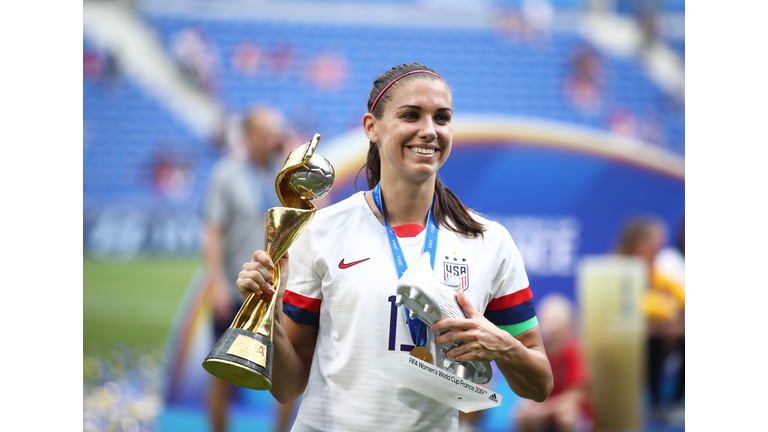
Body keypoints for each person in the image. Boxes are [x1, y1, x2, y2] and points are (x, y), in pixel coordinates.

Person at [235, 63, 553, 431]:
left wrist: (503, 346)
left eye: (442, 117)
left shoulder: (489, 241)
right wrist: (271, 317)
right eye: (411, 115)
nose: (429, 130)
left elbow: (540, 384)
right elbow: (288, 387)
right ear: (371, 127)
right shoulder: (321, 231)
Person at [202, 106, 288, 432]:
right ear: (248, 136)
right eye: (266, 132)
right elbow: (213, 234)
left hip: (277, 293)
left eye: (276, 132)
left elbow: (312, 216)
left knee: (285, 373)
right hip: (237, 289)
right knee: (223, 374)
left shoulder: (285, 176)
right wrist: (218, 287)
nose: (272, 138)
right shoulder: (226, 174)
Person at [615, 214, 684, 424]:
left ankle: (672, 404)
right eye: (655, 245)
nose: (659, 250)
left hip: (653, 332)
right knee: (655, 339)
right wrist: (666, 314)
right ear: (639, 244)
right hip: (623, 337)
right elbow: (635, 306)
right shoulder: (620, 268)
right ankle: (650, 405)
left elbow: (681, 296)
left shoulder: (654, 271)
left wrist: (673, 322)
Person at [515, 293, 594, 432]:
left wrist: (546, 409)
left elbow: (576, 395)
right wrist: (531, 405)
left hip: (567, 408)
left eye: (555, 321)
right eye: (547, 321)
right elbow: (530, 386)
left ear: (567, 325)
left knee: (567, 416)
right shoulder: (539, 351)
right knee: (522, 414)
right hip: (544, 405)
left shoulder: (573, 350)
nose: (550, 327)